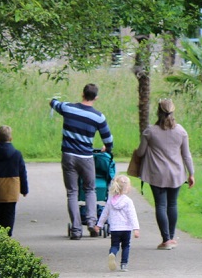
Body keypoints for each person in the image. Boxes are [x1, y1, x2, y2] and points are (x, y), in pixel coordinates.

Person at [51, 83, 114, 240]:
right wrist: (108, 147)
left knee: (72, 192)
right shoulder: (98, 117)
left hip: (68, 156)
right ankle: (93, 224)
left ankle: (76, 229)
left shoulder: (68, 108)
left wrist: (52, 100)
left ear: (82, 94)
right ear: (96, 98)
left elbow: (55, 104)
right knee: (90, 189)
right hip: (86, 157)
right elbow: (108, 138)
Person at [135, 98, 195, 250]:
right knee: (172, 204)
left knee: (161, 205)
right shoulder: (181, 131)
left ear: (158, 112)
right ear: (173, 111)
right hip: (177, 174)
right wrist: (191, 173)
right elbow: (186, 155)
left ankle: (166, 240)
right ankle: (172, 237)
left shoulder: (150, 131)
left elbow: (141, 152)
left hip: (157, 174)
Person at [94, 175, 140, 272]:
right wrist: (136, 229)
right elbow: (132, 215)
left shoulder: (110, 201)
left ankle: (113, 254)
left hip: (115, 229)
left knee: (115, 245)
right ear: (127, 188)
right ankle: (124, 264)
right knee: (126, 246)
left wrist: (99, 225)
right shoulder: (128, 201)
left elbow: (104, 214)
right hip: (126, 229)